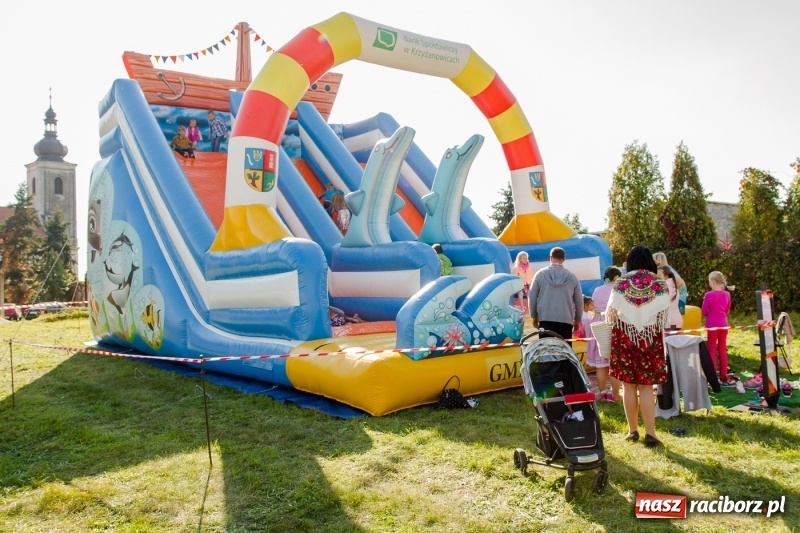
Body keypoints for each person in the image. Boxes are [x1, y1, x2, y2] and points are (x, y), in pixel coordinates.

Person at [606, 245, 670, 447]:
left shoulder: (622, 282)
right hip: (650, 338)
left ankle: (632, 431)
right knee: (646, 385)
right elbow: (662, 312)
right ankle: (650, 433)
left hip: (625, 336)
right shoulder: (658, 282)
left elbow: (612, 312)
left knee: (629, 385)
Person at [529, 247, 583, 343]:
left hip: (545, 318)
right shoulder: (573, 277)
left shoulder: (540, 274)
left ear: (550, 258)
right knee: (564, 351)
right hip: (566, 320)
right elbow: (579, 301)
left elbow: (532, 297)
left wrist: (534, 316)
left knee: (546, 351)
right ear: (563, 259)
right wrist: (577, 320)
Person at [591, 266, 623, 402]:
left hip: (598, 324)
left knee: (601, 363)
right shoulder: (617, 290)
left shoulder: (597, 290)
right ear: (616, 277)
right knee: (613, 362)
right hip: (612, 323)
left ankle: (603, 392)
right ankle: (616, 395)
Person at [702, 271, 733, 384]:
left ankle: (713, 375)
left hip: (712, 324)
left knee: (711, 349)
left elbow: (704, 311)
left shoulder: (709, 295)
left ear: (713, 282)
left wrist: (710, 314)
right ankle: (724, 375)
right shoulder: (727, 294)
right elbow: (727, 310)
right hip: (723, 324)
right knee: (722, 349)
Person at [657, 265, 683, 330]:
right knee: (674, 339)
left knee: (670, 340)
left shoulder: (666, 286)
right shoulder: (673, 286)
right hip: (675, 320)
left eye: (659, 275)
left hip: (669, 322)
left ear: (666, 276)